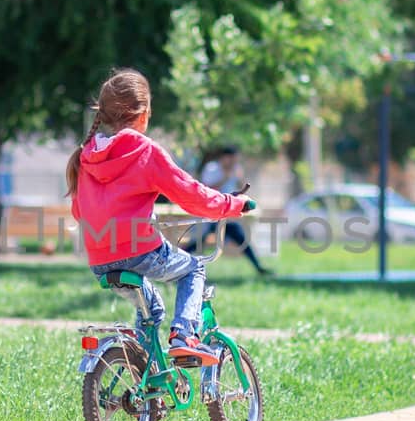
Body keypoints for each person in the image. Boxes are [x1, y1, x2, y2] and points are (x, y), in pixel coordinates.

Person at [67, 69, 255, 365]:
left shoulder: (86, 156)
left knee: (151, 311)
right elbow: (191, 194)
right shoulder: (144, 151)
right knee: (193, 269)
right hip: (139, 250)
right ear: (143, 114)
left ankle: (144, 376)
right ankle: (183, 335)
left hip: (100, 259)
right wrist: (232, 204)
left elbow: (80, 211)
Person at [185, 145, 272, 276]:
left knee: (242, 240)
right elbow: (207, 189)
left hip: (228, 214)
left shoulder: (235, 169)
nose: (233, 162)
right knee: (198, 242)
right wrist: (226, 176)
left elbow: (240, 187)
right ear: (223, 157)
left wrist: (241, 179)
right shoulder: (212, 168)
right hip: (211, 213)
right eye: (231, 159)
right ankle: (179, 259)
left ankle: (259, 268)